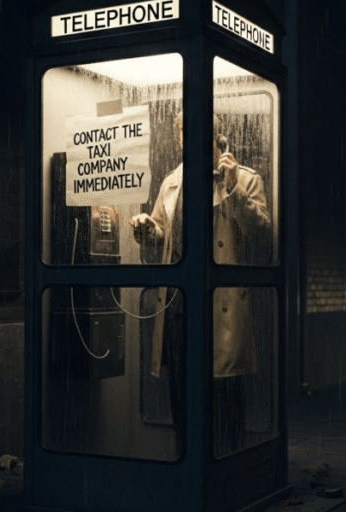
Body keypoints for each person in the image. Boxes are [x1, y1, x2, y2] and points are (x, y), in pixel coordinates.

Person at [130, 111, 272, 457]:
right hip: (179, 303)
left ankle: (224, 463)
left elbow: (262, 234)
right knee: (182, 391)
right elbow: (162, 233)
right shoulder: (172, 182)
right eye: (182, 131)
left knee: (223, 397)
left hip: (221, 303)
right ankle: (187, 461)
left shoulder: (245, 178)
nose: (188, 137)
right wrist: (148, 229)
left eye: (196, 129)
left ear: (217, 136)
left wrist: (233, 187)